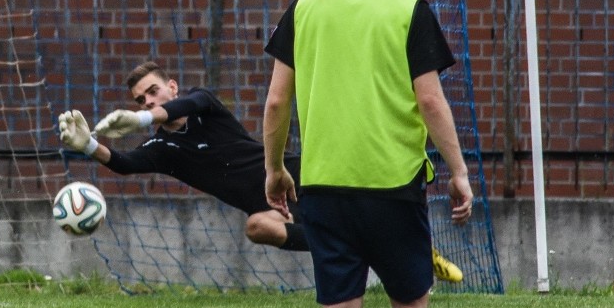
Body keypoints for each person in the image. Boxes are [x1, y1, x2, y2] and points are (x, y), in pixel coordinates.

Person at [261, 0, 474, 308]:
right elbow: (431, 101)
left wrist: (275, 169)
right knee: (411, 301)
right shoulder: (409, 10)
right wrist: (458, 171)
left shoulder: (306, 5)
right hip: (393, 183)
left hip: (323, 184)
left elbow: (276, 103)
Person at [57, 61, 463, 281]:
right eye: (139, 99)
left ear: (172, 87)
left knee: (374, 210)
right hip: (270, 207)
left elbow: (185, 108)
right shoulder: (163, 149)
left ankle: (415, 250)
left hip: (295, 176)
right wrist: (88, 146)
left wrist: (141, 120)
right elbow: (126, 165)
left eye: (152, 92)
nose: (147, 101)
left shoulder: (202, 103)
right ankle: (362, 250)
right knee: (257, 228)